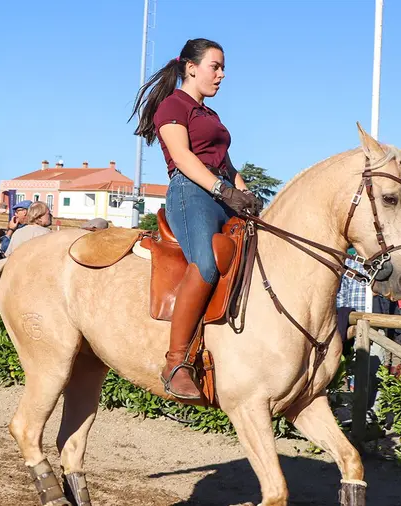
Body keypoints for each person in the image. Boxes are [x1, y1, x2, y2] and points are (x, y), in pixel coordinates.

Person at [130, 38, 261, 400]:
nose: (221, 74)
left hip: (220, 193)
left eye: (222, 67)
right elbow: (184, 159)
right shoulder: (173, 105)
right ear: (191, 67)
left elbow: (227, 165)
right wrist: (224, 191)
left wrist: (245, 195)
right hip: (191, 195)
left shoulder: (211, 116)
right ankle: (176, 363)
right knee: (205, 264)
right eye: (214, 66)